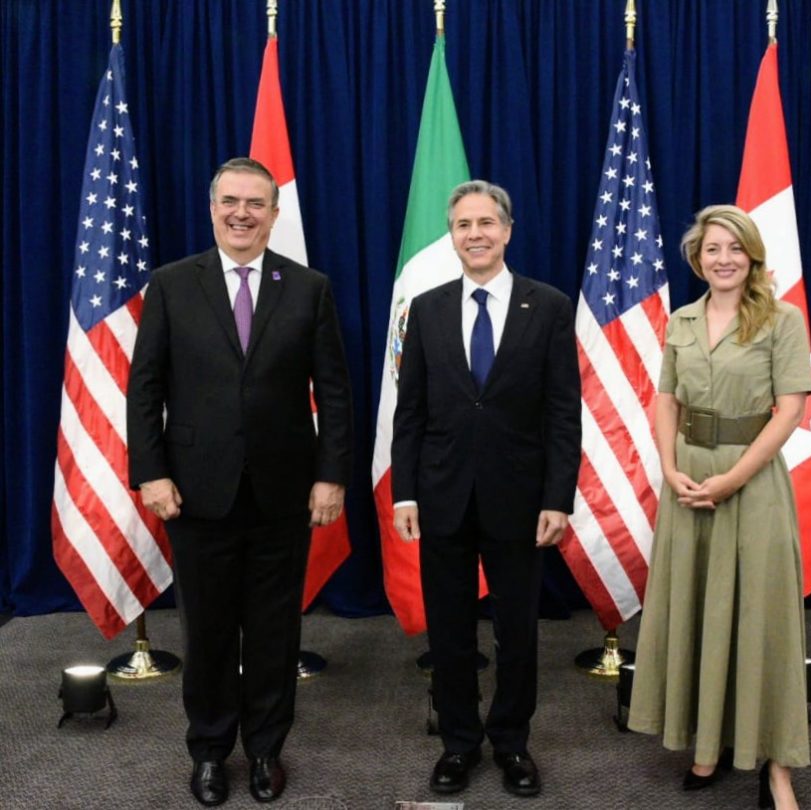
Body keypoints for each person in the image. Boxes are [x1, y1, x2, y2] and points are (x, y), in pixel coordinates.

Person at [127, 157, 353, 806]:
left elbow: (334, 395)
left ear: (275, 215)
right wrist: (152, 473)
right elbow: (144, 391)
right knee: (209, 632)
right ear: (212, 207)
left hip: (284, 494)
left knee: (276, 631)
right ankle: (208, 752)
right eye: (230, 201)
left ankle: (264, 751)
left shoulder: (308, 288)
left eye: (256, 203)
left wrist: (330, 477)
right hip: (195, 492)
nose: (242, 214)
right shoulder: (171, 286)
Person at [391, 180, 581, 798]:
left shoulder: (548, 306)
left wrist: (558, 497)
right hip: (442, 496)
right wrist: (405, 493)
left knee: (517, 632)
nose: (474, 234)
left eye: (485, 223)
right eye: (463, 224)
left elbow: (561, 413)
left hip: (522, 501)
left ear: (508, 229)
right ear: (452, 234)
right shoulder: (426, 307)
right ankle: (459, 744)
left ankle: (512, 743)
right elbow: (410, 411)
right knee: (449, 631)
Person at [627, 204, 811, 810]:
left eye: (735, 248)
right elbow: (665, 398)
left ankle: (777, 765)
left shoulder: (783, 320)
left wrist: (732, 478)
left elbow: (790, 411)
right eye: (712, 249)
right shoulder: (681, 320)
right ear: (696, 258)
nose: (724, 258)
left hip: (750, 482)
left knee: (763, 616)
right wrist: (669, 466)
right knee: (698, 608)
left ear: (752, 255)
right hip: (689, 481)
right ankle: (706, 745)